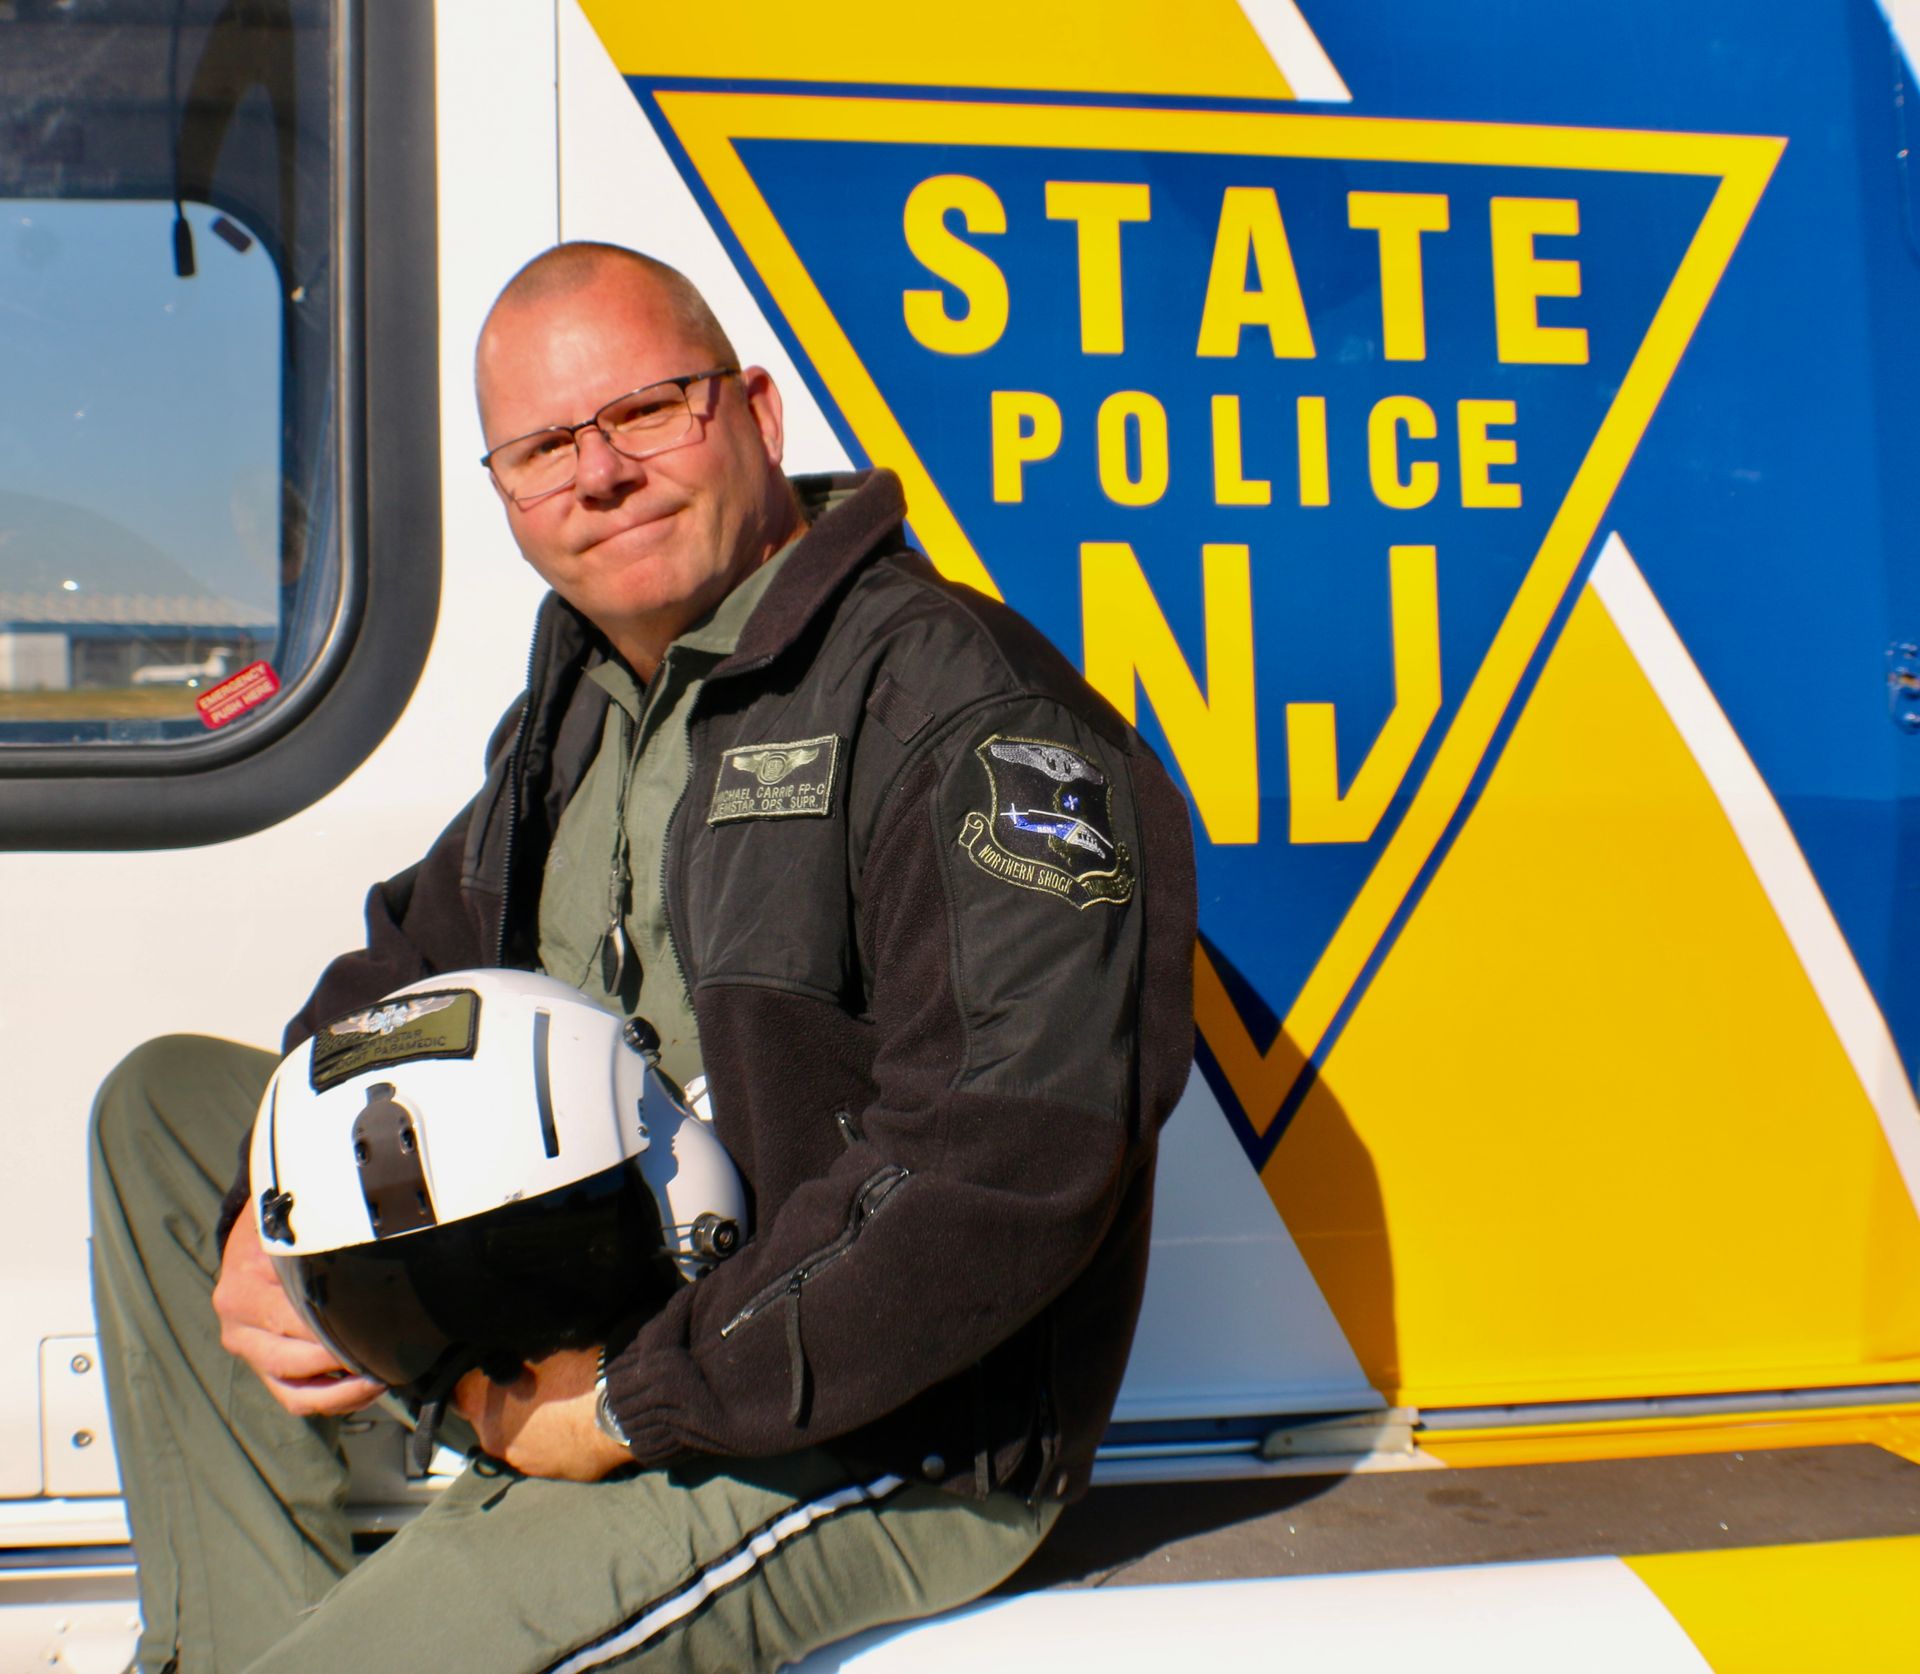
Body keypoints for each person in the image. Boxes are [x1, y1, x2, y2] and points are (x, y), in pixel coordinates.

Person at [88, 242, 1197, 1674]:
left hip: (862, 1427)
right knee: (170, 1115)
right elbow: (400, 978)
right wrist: (262, 1207)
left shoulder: (957, 701)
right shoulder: (587, 703)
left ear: (755, 412)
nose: (598, 474)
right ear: (505, 493)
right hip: (614, 1337)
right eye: (545, 446)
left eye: (645, 412)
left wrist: (624, 1400)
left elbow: (1007, 1159)